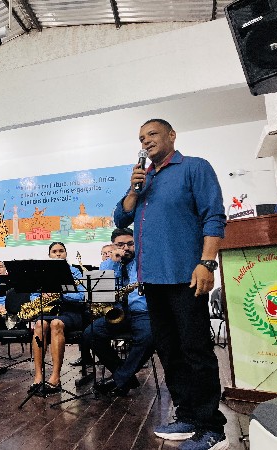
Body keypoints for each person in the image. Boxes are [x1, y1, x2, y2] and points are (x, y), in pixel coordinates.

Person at [114, 119, 228, 450]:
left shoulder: (195, 168)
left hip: (186, 276)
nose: (145, 141)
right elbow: (120, 219)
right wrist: (133, 190)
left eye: (152, 134)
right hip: (152, 280)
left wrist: (207, 263)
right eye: (141, 138)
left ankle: (212, 427)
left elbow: (213, 216)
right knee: (169, 351)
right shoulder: (144, 179)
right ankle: (188, 415)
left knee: (195, 350)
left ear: (171, 136)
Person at [83, 228, 153, 396]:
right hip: (118, 312)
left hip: (142, 312)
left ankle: (119, 379)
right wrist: (113, 263)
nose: (126, 248)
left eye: (130, 244)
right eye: (120, 245)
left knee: (149, 337)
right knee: (90, 333)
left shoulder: (145, 261)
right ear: (113, 246)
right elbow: (100, 292)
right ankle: (125, 377)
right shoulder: (109, 264)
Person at [29, 242, 87, 394]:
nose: (58, 254)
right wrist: (41, 296)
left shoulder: (75, 272)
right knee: (39, 325)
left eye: (61, 251)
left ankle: (55, 377)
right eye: (54, 251)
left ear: (66, 254)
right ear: (49, 255)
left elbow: (81, 296)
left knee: (55, 324)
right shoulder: (43, 273)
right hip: (49, 311)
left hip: (71, 312)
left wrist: (61, 294)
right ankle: (38, 376)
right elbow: (33, 296)